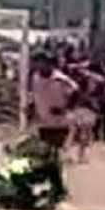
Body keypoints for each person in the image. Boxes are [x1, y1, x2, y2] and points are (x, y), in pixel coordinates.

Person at [31, 53, 79, 202]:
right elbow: (38, 96)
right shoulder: (36, 78)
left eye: (43, 62)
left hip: (59, 123)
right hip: (43, 123)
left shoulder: (60, 79)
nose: (40, 66)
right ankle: (57, 188)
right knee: (45, 157)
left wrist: (65, 108)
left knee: (52, 155)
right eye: (38, 62)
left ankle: (58, 189)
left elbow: (76, 91)